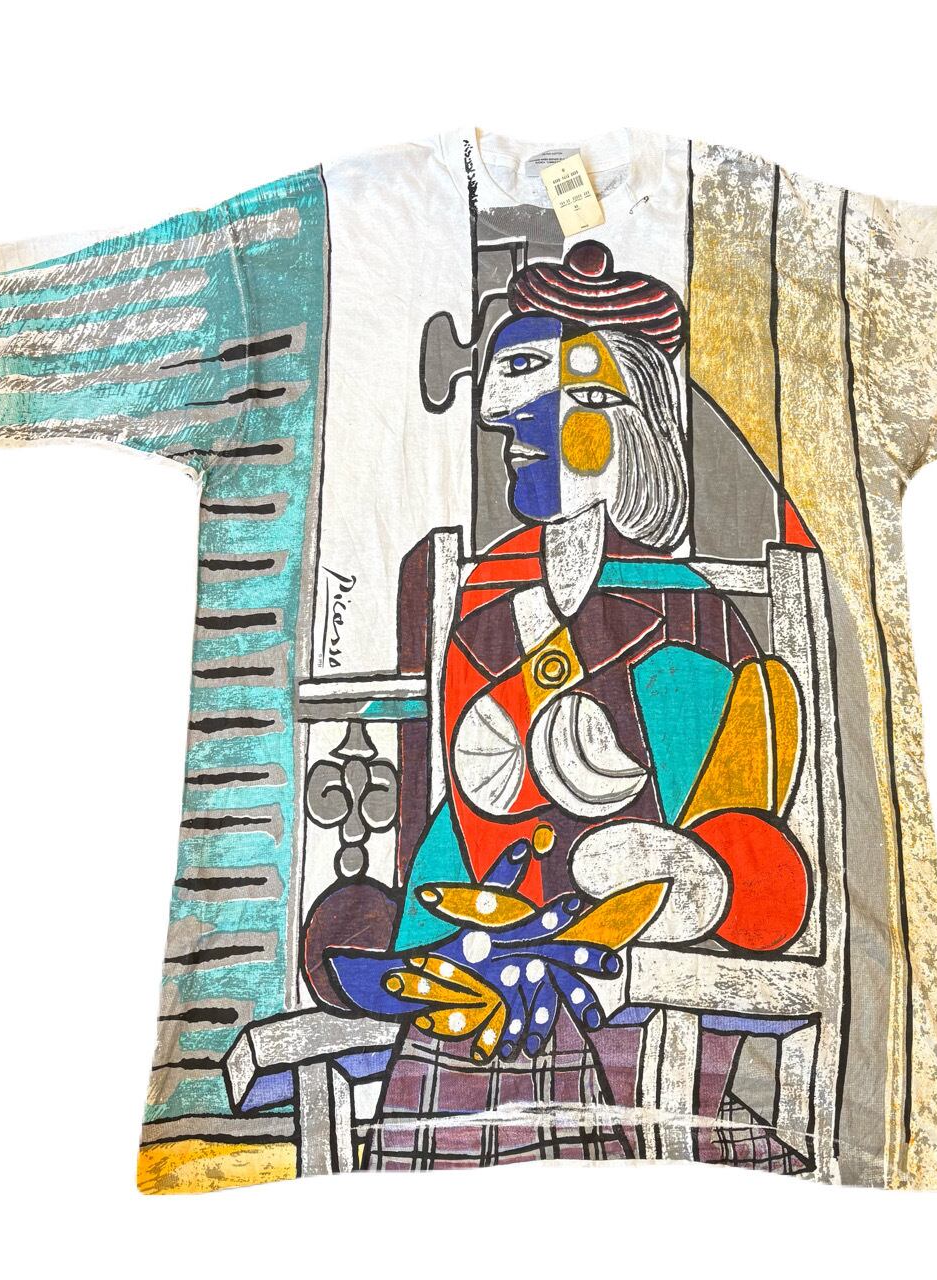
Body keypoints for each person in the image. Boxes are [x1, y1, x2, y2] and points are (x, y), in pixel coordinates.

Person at [302, 241, 814, 1168]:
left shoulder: (692, 618)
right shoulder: (482, 613)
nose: (514, 428)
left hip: (636, 966)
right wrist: (425, 936)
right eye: (514, 412)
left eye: (564, 400)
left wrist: (654, 889)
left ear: (627, 422)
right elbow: (467, 819)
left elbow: (717, 831)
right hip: (491, 937)